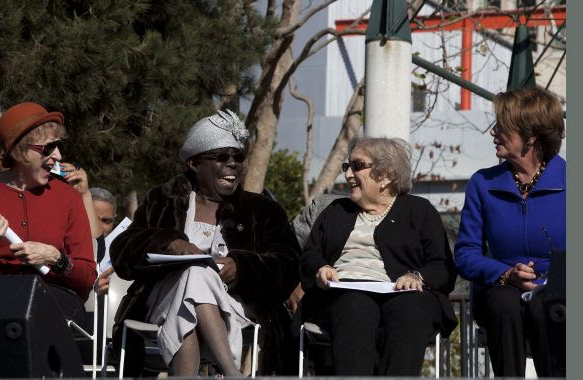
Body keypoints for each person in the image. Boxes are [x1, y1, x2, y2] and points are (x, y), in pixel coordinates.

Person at [110, 109, 300, 376]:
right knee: (194, 273)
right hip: (161, 298)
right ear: (194, 164)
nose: (232, 164)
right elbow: (122, 250)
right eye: (222, 157)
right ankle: (231, 371)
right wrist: (170, 242)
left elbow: (288, 263)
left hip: (233, 305)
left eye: (238, 157)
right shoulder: (163, 201)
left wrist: (241, 266)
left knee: (193, 283)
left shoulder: (262, 210)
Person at [300, 136, 457, 376]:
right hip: (343, 293)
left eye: (357, 166)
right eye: (347, 167)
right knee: (356, 307)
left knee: (409, 310)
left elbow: (442, 266)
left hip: (402, 294)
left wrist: (418, 276)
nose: (349, 175)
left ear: (386, 175)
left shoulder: (419, 210)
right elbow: (311, 253)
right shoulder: (336, 212)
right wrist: (321, 267)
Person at [454, 86, 566, 377]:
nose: (493, 131)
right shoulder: (482, 183)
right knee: (503, 303)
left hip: (561, 294)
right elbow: (465, 254)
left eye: (502, 126)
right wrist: (504, 274)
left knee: (548, 306)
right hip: (500, 291)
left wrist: (551, 281)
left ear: (530, 137)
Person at [0, 102, 97, 325]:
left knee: (35, 317)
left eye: (58, 145)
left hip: (54, 300)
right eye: (48, 148)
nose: (58, 156)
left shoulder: (68, 198)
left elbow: (87, 277)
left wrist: (55, 258)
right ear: (19, 151)